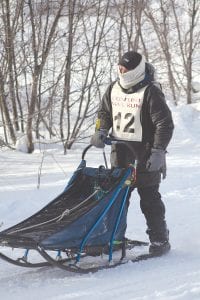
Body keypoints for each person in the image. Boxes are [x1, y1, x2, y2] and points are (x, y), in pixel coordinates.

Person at [90, 51, 174, 255]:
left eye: (125, 69)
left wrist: (158, 151)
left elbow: (165, 124)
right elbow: (103, 113)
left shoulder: (151, 92)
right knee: (118, 201)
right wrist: (100, 129)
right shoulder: (113, 88)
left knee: (150, 200)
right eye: (119, 68)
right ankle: (115, 238)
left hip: (146, 157)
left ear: (136, 70)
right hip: (120, 156)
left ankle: (160, 241)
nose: (121, 71)